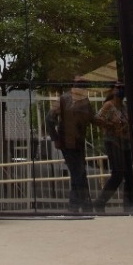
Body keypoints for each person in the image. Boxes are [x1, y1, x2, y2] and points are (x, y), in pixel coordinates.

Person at [50, 78, 96, 212]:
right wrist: (56, 139)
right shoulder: (64, 99)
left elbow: (91, 118)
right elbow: (49, 118)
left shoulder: (84, 101)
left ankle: (84, 205)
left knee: (81, 173)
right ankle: (76, 205)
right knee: (78, 173)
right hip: (67, 142)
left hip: (78, 142)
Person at [93, 81, 133, 213]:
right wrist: (111, 125)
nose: (121, 90)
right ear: (113, 90)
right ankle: (101, 201)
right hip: (113, 141)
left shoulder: (124, 106)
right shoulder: (109, 105)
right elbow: (98, 119)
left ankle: (129, 204)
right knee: (118, 172)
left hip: (126, 142)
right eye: (118, 88)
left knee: (129, 174)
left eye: (123, 88)